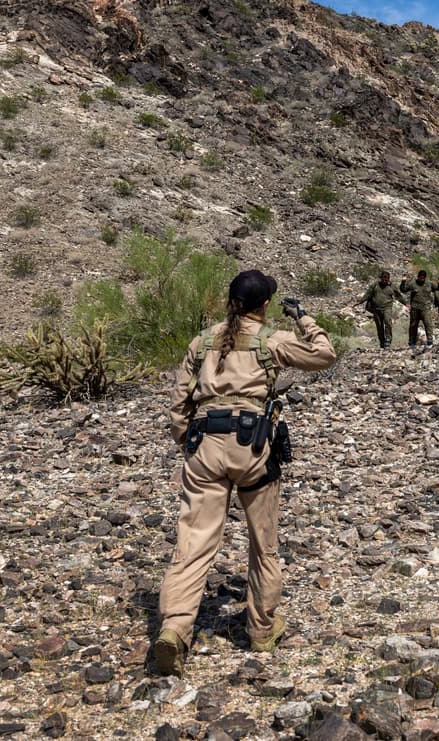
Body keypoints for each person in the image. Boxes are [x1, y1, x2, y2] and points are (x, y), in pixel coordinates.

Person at [155, 269, 336, 676]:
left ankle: (175, 630)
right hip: (251, 445)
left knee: (194, 542)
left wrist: (186, 442)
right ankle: (261, 629)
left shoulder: (202, 341)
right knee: (263, 542)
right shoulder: (271, 341)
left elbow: (178, 405)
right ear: (266, 304)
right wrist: (304, 318)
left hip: (204, 445)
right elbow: (323, 354)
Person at [359, 270, 407, 349]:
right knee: (379, 326)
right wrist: (360, 301)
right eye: (383, 278)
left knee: (388, 322)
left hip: (387, 307)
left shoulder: (391, 286)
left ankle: (388, 340)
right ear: (380, 278)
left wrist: (405, 303)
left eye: (387, 279)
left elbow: (398, 296)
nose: (385, 280)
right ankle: (382, 342)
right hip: (376, 309)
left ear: (389, 279)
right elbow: (368, 294)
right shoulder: (375, 285)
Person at [399, 269, 439, 348]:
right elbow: (403, 290)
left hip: (426, 308)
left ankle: (429, 342)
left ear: (425, 278)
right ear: (418, 277)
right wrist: (403, 281)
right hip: (415, 308)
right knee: (413, 325)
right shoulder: (413, 283)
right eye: (420, 277)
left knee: (428, 324)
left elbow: (437, 288)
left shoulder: (429, 284)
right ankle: (411, 342)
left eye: (423, 278)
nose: (421, 279)